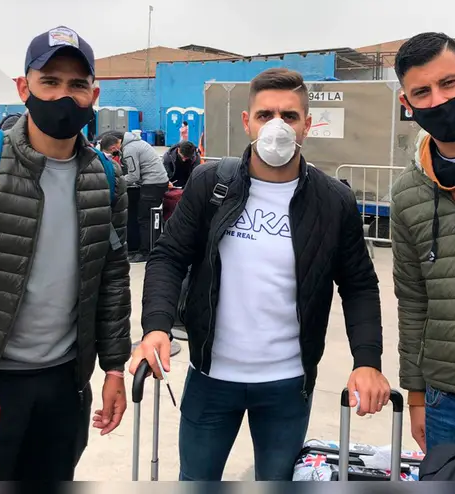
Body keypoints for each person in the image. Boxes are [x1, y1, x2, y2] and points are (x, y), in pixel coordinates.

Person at [132, 67, 390, 481]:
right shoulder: (210, 184)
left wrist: (368, 360)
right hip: (211, 377)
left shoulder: (333, 200)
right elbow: (168, 257)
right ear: (246, 121)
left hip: (287, 384)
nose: (276, 126)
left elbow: (359, 284)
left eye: (288, 116)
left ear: (307, 125)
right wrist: (155, 327)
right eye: (265, 114)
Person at [0, 26, 131, 481]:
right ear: (24, 88)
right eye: (50, 81)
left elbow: (113, 277)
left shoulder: (107, 177)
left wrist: (114, 368)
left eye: (77, 85)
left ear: (93, 94)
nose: (64, 96)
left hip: (64, 383)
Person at [390, 32, 455, 453]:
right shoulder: (406, 193)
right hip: (446, 403)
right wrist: (415, 396)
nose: (439, 101)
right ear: (406, 104)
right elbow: (413, 302)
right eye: (422, 92)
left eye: (449, 84)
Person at [117, 130, 169, 262]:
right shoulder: (138, 143)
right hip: (158, 181)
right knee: (152, 219)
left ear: (118, 141)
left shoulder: (130, 149)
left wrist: (116, 180)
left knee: (145, 219)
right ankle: (153, 248)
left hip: (152, 184)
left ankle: (145, 252)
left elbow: (134, 175)